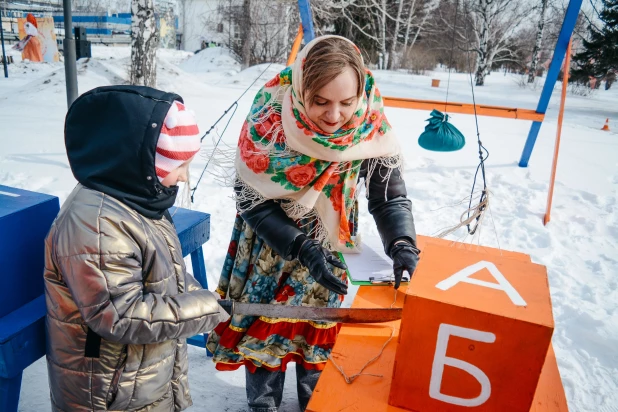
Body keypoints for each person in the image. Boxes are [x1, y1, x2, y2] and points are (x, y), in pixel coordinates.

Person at [206, 35, 420, 412]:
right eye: (319, 101)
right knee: (266, 322)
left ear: (360, 95)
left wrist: (402, 241)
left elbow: (387, 195)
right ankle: (264, 405)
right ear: (300, 89)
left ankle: (317, 402)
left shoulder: (369, 123)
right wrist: (301, 247)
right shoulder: (270, 117)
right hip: (271, 245)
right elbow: (248, 197)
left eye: (345, 103)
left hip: (332, 239)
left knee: (321, 324)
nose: (335, 116)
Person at [44, 85, 229, 412]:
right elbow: (120, 314)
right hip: (108, 394)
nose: (185, 177)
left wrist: (197, 293)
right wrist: (202, 309)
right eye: (178, 165)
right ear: (140, 160)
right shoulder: (96, 224)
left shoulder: (137, 199)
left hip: (140, 380)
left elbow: (164, 272)